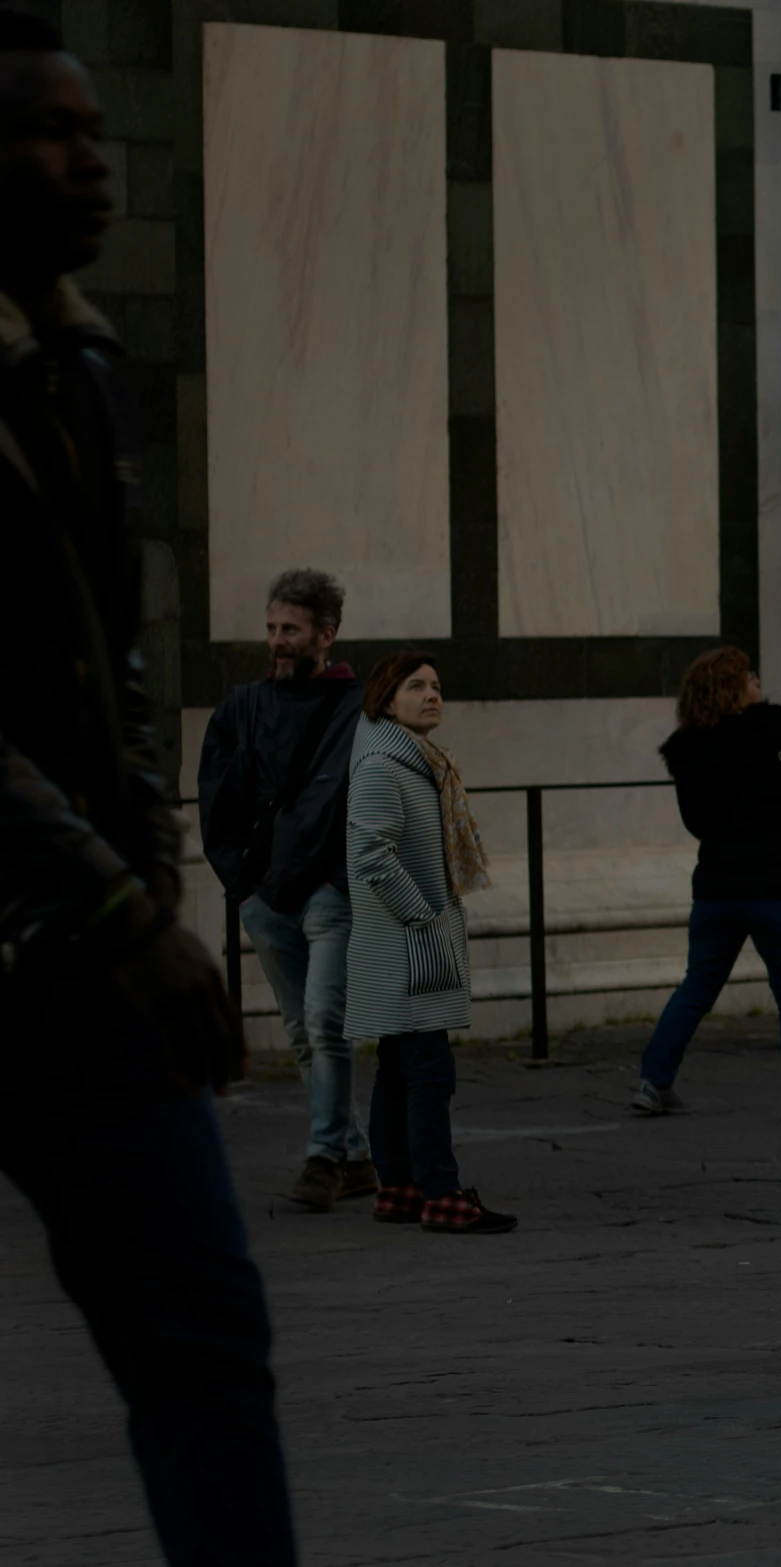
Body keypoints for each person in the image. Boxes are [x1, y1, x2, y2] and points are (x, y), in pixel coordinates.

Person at [0, 15, 295, 1554]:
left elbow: (116, 666)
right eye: (51, 130)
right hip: (70, 924)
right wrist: (130, 908)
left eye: (98, 128)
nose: (92, 158)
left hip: (80, 958)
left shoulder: (86, 359)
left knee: (204, 1344)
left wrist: (160, 877)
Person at [199, 568, 371, 1212]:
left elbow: (376, 797)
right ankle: (355, 1157)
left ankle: (325, 1156)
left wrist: (341, 877)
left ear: (325, 635)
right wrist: (243, 888)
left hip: (332, 891)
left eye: (290, 630)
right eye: (272, 629)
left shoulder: (360, 708)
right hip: (266, 898)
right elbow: (217, 802)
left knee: (325, 1020)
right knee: (303, 1030)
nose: (277, 641)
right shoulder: (242, 708)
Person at [637, 647, 781, 1123]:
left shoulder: (688, 751)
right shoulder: (774, 734)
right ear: (734, 692)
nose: (759, 681)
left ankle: (654, 1083)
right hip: (779, 884)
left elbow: (695, 822)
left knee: (696, 988)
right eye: (750, 677)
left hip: (716, 886)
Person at [345, 652, 514, 1233]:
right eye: (415, 686)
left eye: (437, 685)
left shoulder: (415, 759)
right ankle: (441, 1195)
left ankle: (397, 1187)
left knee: (399, 1066)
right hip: (406, 943)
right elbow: (370, 854)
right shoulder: (382, 767)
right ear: (386, 700)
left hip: (409, 939)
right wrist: (422, 917)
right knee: (430, 1072)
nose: (431, 694)